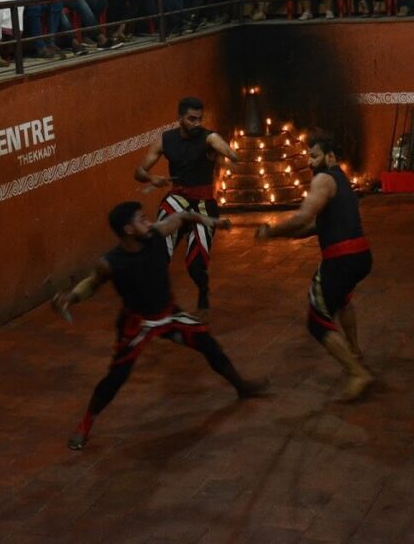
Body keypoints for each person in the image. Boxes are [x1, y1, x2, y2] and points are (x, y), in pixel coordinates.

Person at [52, 200, 267, 451]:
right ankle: (85, 425)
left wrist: (209, 221)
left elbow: (184, 215)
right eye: (141, 219)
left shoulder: (155, 235)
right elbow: (91, 283)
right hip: (137, 323)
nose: (149, 222)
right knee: (116, 377)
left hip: (169, 314)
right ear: (128, 230)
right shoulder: (111, 262)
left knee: (208, 344)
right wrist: (70, 298)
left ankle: (242, 387)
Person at [255, 132, 374, 402]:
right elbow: (313, 226)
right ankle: (355, 352)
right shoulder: (341, 179)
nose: (310, 162)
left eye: (315, 155)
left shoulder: (323, 179)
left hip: (340, 261)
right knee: (342, 300)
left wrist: (272, 231)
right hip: (361, 258)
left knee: (317, 320)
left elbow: (303, 217)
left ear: (330, 156)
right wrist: (280, 235)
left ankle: (357, 372)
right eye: (308, 156)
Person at [134, 97, 239, 314]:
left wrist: (230, 153)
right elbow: (139, 172)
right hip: (177, 200)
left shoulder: (208, 138)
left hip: (203, 204)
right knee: (159, 250)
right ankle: (157, 301)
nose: (197, 124)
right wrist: (151, 178)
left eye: (200, 119)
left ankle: (203, 288)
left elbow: (221, 145)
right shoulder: (166, 140)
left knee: (195, 265)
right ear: (180, 118)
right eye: (191, 119)